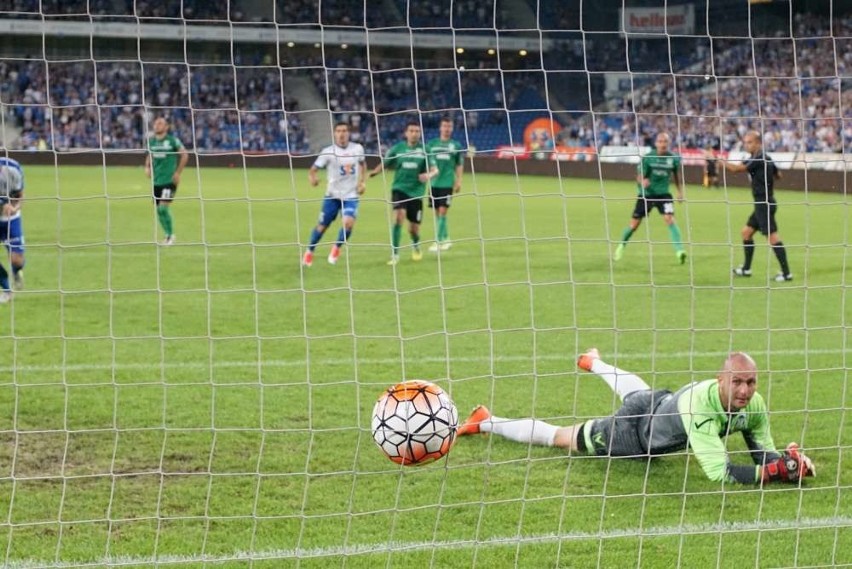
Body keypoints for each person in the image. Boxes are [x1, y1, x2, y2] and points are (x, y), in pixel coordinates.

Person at [457, 348, 816, 485]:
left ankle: (592, 361)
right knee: (562, 438)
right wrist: (772, 473)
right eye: (737, 382)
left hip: (658, 403)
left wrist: (790, 461)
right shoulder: (701, 407)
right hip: (634, 435)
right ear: (721, 379)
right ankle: (486, 419)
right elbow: (719, 473)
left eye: (751, 382)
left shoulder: (754, 405)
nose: (745, 390)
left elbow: (763, 454)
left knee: (638, 392)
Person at [722, 131, 792, 282]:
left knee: (772, 238)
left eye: (750, 142)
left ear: (758, 143)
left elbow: (735, 170)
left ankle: (787, 273)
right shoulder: (765, 158)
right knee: (746, 233)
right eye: (745, 142)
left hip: (764, 204)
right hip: (763, 202)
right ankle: (746, 269)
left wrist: (718, 160)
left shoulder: (759, 158)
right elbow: (779, 175)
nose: (747, 145)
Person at [368, 121, 437, 265]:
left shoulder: (426, 149)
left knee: (413, 229)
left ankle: (416, 245)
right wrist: (374, 172)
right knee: (398, 217)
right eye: (411, 130)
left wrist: (428, 176)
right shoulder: (397, 149)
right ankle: (395, 254)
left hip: (417, 193)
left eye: (417, 131)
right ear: (406, 133)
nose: (414, 133)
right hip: (399, 189)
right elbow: (385, 162)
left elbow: (435, 170)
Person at [614, 133, 686, 264]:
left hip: (663, 195)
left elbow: (676, 175)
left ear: (668, 144)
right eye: (660, 141)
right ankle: (621, 245)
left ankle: (679, 251)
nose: (663, 144)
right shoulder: (648, 158)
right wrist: (643, 181)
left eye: (665, 141)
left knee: (669, 219)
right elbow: (639, 176)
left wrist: (680, 192)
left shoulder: (673, 159)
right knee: (634, 225)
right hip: (646, 194)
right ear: (656, 143)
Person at [302, 122, 366, 267]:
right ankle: (309, 251)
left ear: (348, 133)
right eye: (338, 131)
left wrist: (362, 182)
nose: (341, 134)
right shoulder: (328, 152)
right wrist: (313, 178)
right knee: (322, 226)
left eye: (344, 131)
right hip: (332, 195)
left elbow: (363, 164)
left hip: (351, 195)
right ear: (334, 133)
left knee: (348, 223)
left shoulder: (357, 149)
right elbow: (313, 170)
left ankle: (336, 248)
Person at [145, 117, 188, 246]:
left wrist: (178, 173)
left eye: (160, 123)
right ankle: (167, 235)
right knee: (158, 210)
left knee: (163, 209)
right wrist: (147, 166)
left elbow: (185, 154)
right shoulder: (151, 142)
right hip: (156, 181)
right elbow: (149, 155)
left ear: (166, 127)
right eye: (156, 123)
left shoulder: (172, 141)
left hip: (169, 180)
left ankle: (170, 236)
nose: (157, 125)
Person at [426, 117, 464, 252]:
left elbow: (459, 165)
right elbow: (428, 162)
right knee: (437, 213)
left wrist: (459, 180)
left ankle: (437, 241)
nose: (447, 129)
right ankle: (446, 239)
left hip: (447, 183)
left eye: (449, 126)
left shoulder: (456, 146)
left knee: (443, 211)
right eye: (445, 126)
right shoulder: (431, 145)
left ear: (452, 129)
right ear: (440, 127)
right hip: (434, 183)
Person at [0, 157, 26, 301]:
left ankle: (17, 272)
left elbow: (20, 194)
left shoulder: (13, 168)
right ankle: (7, 290)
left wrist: (14, 207)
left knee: (16, 260)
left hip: (10, 220)